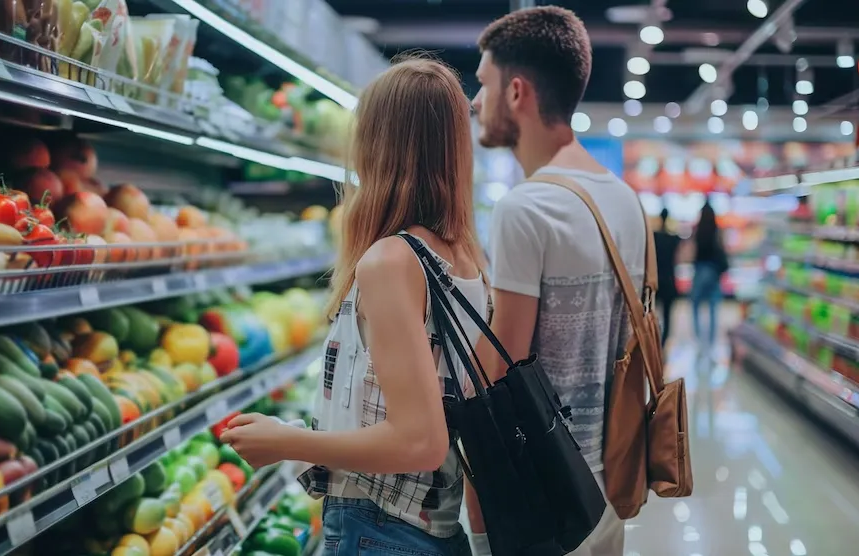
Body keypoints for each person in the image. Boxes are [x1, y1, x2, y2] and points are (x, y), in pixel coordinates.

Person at [220, 56, 487, 556]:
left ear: (377, 144)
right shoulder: (464, 256)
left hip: (383, 532)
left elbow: (419, 442)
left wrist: (286, 442)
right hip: (434, 530)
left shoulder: (391, 261)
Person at [467, 7, 647, 556]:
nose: (475, 102)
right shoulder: (624, 198)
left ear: (517, 91)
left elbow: (501, 371)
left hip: (545, 500)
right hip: (609, 485)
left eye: (483, 84)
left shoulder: (528, 207)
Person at [690, 200, 727, 347]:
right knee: (712, 306)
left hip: (700, 269)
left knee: (695, 304)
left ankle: (698, 337)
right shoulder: (717, 230)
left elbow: (693, 250)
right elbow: (722, 248)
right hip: (713, 270)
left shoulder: (698, 231)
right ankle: (711, 339)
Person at [654, 208, 682, 347]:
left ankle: (654, 340)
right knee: (667, 316)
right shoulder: (673, 239)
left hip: (655, 281)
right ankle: (663, 343)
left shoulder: (654, 237)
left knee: (652, 314)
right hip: (669, 281)